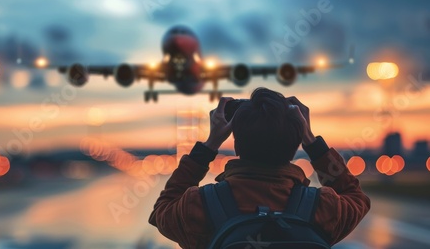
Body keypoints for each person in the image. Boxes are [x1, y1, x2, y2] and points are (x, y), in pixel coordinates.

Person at [149, 87, 370, 249]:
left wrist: (210, 145)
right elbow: (357, 197)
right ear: (296, 145)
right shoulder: (324, 207)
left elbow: (161, 211)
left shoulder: (200, 205)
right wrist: (312, 142)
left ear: (235, 143)